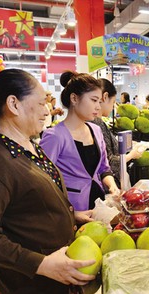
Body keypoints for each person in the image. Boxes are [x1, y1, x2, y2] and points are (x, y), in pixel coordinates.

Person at [0, 69, 96, 294]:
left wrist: (73, 216)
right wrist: (42, 264)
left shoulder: (28, 146)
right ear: (14, 104)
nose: (48, 110)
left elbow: (30, 204)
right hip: (33, 290)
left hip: (56, 279)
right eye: (40, 103)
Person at [40, 71, 119, 211]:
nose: (98, 107)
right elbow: (44, 182)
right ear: (74, 99)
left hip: (98, 205)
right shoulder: (54, 136)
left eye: (100, 102)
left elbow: (104, 169)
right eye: (94, 100)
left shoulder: (96, 130)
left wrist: (112, 185)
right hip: (69, 210)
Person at [91, 79, 142, 186]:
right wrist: (131, 155)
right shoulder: (96, 124)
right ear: (105, 97)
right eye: (113, 102)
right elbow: (107, 161)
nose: (113, 107)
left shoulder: (96, 122)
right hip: (107, 184)